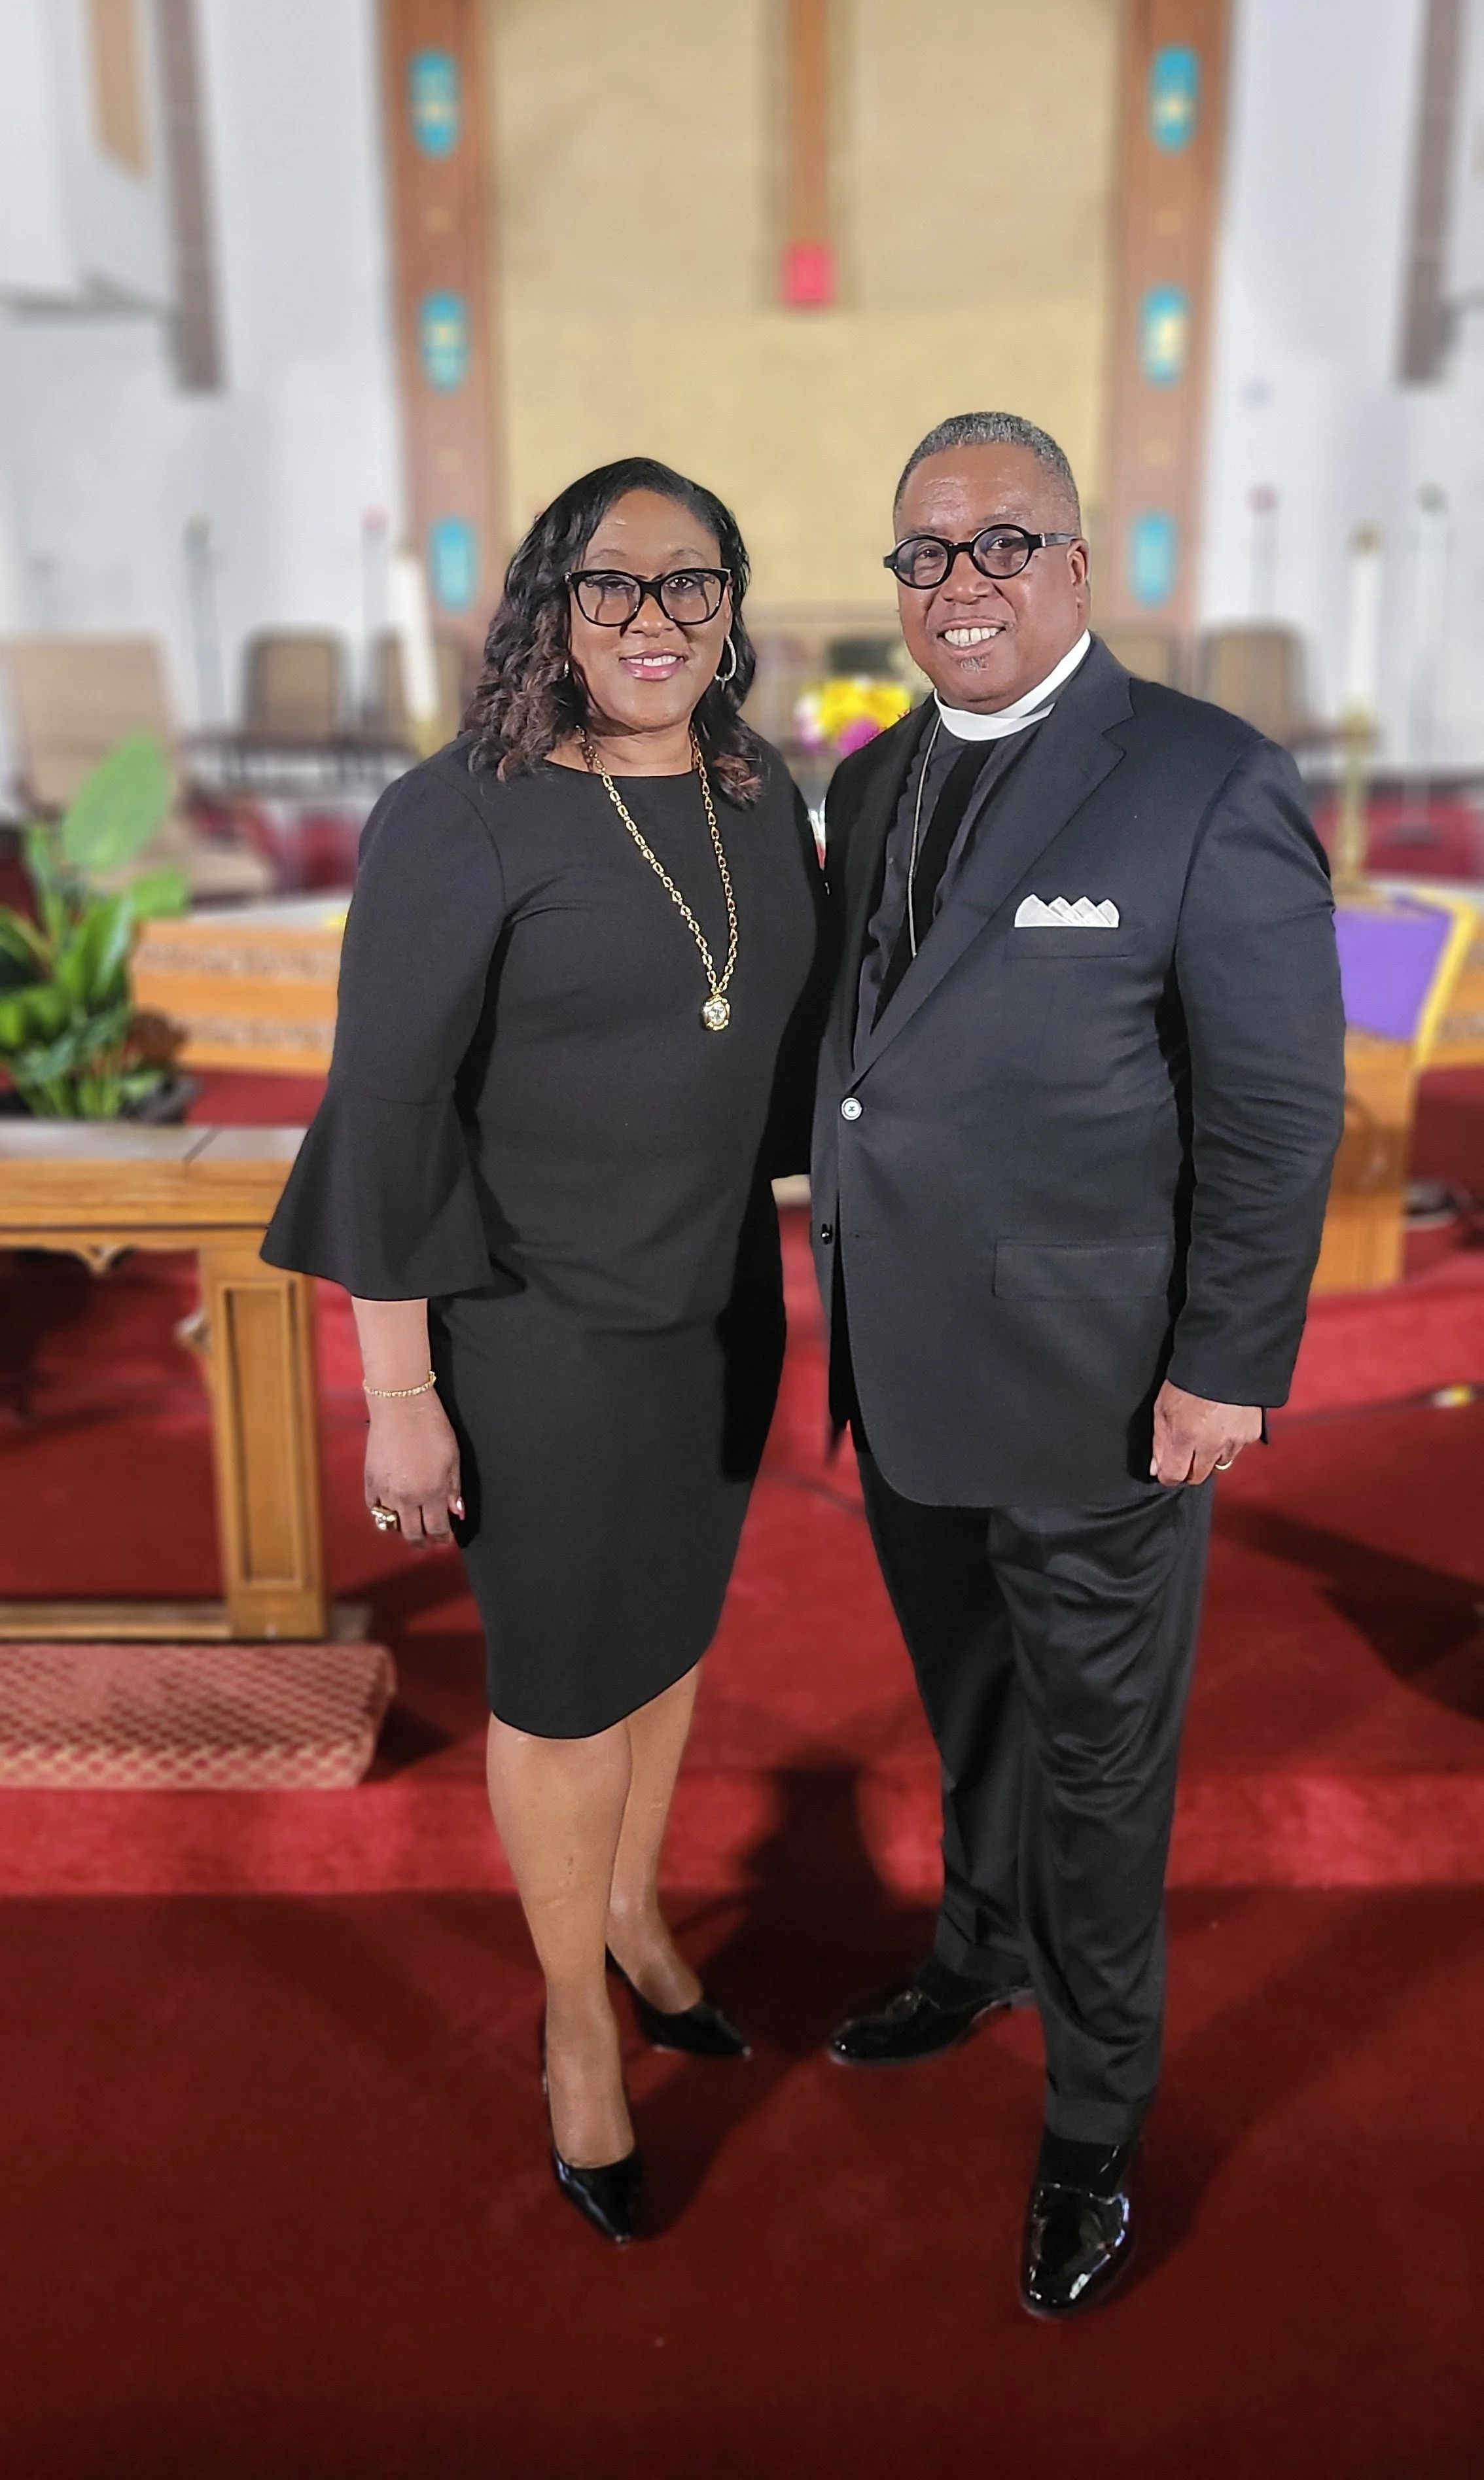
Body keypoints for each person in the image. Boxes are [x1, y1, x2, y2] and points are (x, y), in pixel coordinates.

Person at [813, 411, 1345, 2316]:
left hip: (1106, 1389)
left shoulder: (1203, 780)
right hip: (909, 1370)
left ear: (1078, 563)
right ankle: (979, 1944)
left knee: (1104, 1766)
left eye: (998, 543)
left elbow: (1283, 1108)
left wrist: (1223, 1365)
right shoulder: (869, 788)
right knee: (971, 1704)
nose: (958, 583)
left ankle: (1095, 2119)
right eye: (924, 554)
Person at [263, 459, 825, 2246]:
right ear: (548, 609)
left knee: (664, 1651)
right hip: (535, 1331)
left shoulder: (755, 790)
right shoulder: (466, 815)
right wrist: (402, 1392)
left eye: (688, 585)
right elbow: (391, 1113)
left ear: (732, 607)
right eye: (611, 588)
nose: (651, 621)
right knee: (568, 1685)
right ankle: (575, 2030)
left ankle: (641, 1920)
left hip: (715, 1302)